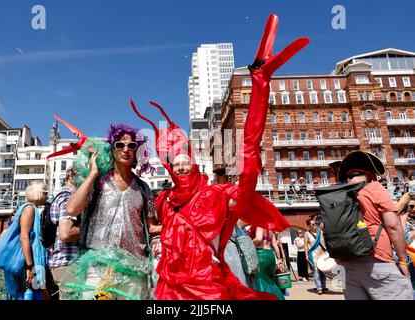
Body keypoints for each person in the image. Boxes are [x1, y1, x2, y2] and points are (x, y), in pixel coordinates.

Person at [131, 14, 307, 300]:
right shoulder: (163, 202)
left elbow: (248, 161)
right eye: (173, 162)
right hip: (168, 290)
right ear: (169, 169)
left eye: (184, 157)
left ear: (194, 161)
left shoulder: (217, 195)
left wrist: (260, 88)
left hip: (210, 289)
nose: (180, 163)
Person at [65, 123, 161, 300]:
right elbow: (72, 208)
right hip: (98, 266)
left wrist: (181, 224)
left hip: (134, 270)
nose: (126, 149)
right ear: (112, 149)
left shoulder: (144, 188)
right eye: (120, 145)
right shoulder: (98, 182)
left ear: (137, 152)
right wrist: (93, 173)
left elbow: (152, 227)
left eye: (131, 145)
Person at [337, 150, 412, 300]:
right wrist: (403, 260)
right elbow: (393, 226)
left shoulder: (336, 194)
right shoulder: (374, 188)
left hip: (346, 265)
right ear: (370, 174)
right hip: (377, 259)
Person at [5, 181, 49, 300]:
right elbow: (24, 237)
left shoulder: (28, 208)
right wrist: (30, 267)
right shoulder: (29, 209)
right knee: (34, 288)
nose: (47, 196)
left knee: (37, 289)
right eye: (45, 193)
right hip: (28, 262)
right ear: (38, 194)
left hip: (28, 260)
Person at [49, 165, 80, 300]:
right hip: (68, 263)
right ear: (72, 177)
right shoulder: (68, 198)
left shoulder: (62, 196)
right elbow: (66, 233)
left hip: (66, 263)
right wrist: (92, 228)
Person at [252, 227, 285, 300]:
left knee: (260, 280)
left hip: (261, 255)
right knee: (270, 281)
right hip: (270, 255)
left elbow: (259, 238)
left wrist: (249, 243)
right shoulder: (270, 230)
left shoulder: (259, 226)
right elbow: (275, 245)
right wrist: (279, 259)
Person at [304, 218, 328, 295]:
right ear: (309, 226)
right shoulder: (307, 234)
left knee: (323, 270)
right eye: (313, 224)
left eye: (315, 223)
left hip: (322, 253)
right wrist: (306, 255)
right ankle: (319, 288)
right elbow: (305, 246)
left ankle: (323, 287)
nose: (315, 225)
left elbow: (326, 241)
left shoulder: (320, 232)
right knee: (316, 271)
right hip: (313, 254)